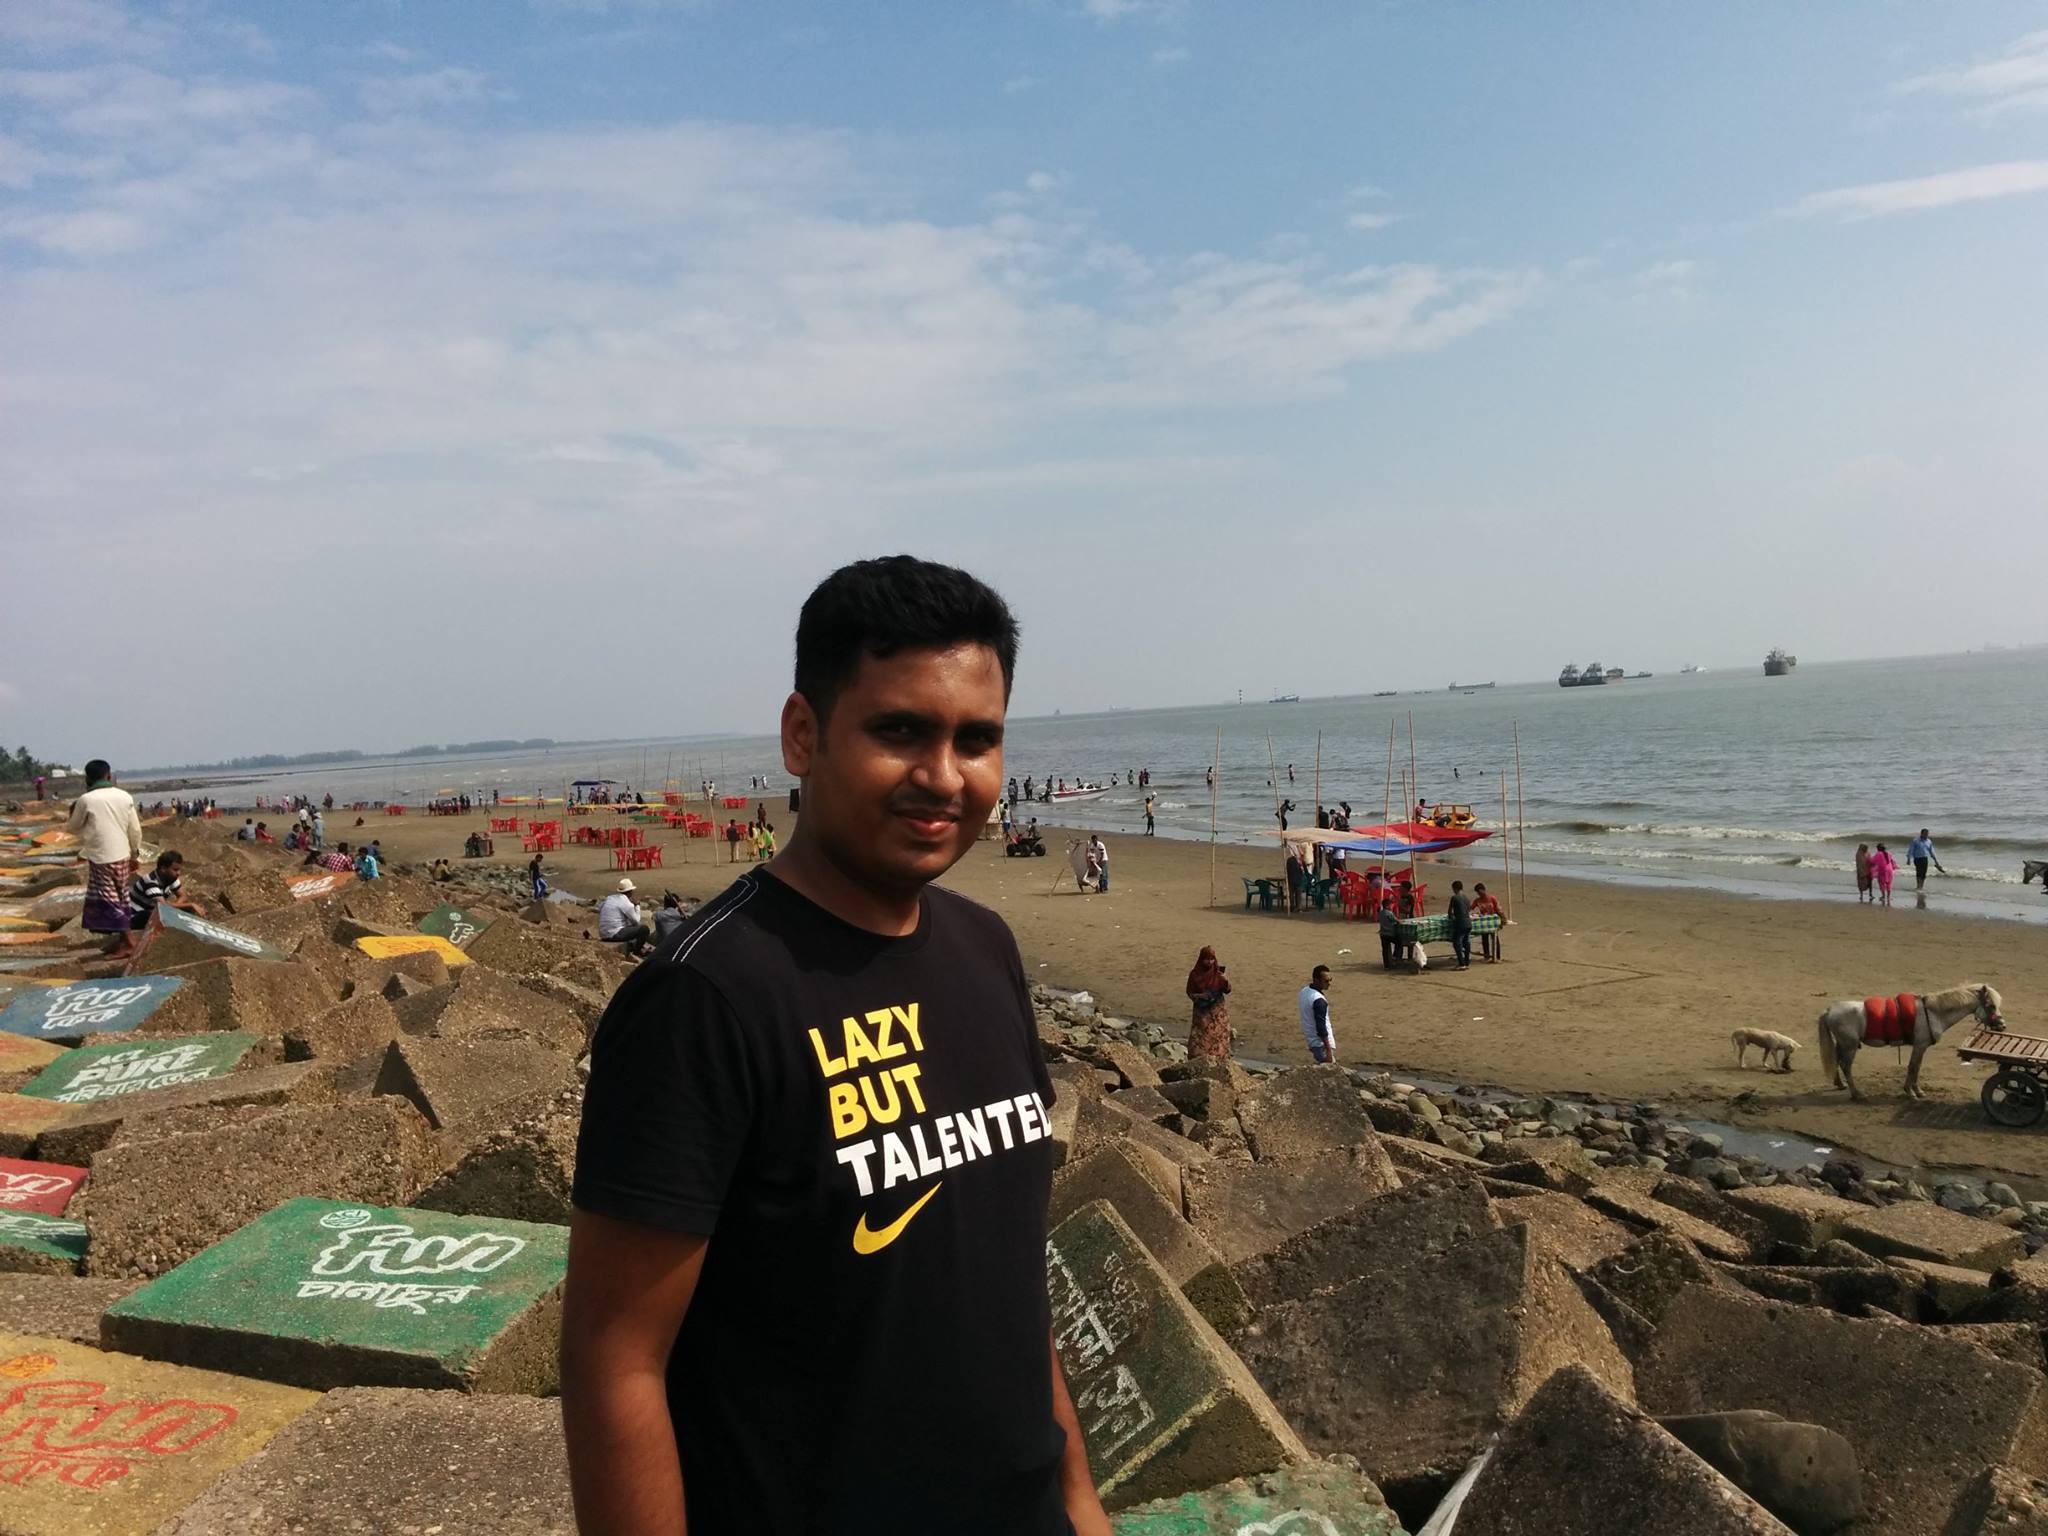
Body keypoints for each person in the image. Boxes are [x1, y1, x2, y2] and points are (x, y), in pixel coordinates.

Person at [564, 555, 1110, 1536]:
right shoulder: (704, 998)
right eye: (899, 731)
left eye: (976, 740)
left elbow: (1005, 1272)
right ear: (803, 735)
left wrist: (1077, 1498)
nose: (942, 777)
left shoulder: (985, 949)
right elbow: (616, 1362)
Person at [68, 759, 145, 959]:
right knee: (122, 897)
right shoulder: (124, 796)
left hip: (101, 857)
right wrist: (135, 853)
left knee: (111, 901)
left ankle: (129, 942)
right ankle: (122, 940)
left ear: (87, 778)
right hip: (122, 854)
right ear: (109, 776)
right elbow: (135, 830)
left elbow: (73, 827)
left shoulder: (86, 800)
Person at [129, 851, 205, 930]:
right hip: (134, 916)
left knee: (186, 909)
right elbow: (163, 906)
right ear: (163, 869)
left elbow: (183, 896)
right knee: (152, 914)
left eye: (179, 870)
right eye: (175, 870)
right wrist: (190, 905)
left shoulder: (170, 878)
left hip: (152, 911)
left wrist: (178, 907)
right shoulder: (150, 881)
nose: (178, 873)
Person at [1185, 946, 1233, 1060]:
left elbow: (1227, 990)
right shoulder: (1195, 975)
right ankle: (1199, 1060)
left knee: (1219, 1036)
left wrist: (1225, 981)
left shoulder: (1218, 974)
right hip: (1202, 1013)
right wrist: (1201, 996)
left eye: (1212, 959)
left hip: (1217, 1011)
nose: (1210, 962)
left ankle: (1220, 1060)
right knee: (1201, 1038)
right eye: (1207, 959)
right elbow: (1190, 992)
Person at [597, 877, 654, 958]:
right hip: (614, 934)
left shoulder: (610, 898)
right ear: (630, 892)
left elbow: (600, 908)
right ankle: (636, 952)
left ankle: (634, 947)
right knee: (644, 929)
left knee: (630, 925)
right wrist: (637, 906)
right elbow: (636, 921)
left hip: (603, 934)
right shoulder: (626, 902)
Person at [1298, 964, 1336, 1064]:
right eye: (1326, 981)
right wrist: (1328, 1050)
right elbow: (1321, 1027)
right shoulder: (1319, 1001)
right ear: (1316, 980)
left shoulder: (1304, 991)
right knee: (1329, 1068)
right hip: (1321, 1044)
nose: (1329, 983)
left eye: (1330, 980)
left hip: (1312, 1041)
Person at [1446, 879, 1473, 970]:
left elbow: (1450, 912)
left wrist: (1452, 918)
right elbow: (1468, 909)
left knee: (1457, 943)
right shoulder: (1466, 898)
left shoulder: (1455, 897)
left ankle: (1462, 963)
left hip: (1460, 923)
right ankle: (1467, 962)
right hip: (1468, 923)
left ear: (1455, 888)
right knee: (1466, 942)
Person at [1472, 881, 1502, 960]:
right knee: (1484, 939)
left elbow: (1498, 909)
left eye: (1479, 892)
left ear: (1483, 890)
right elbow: (1471, 908)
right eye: (1478, 893)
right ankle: (1487, 956)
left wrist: (1502, 919)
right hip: (1484, 922)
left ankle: (1497, 956)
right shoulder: (1477, 900)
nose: (1479, 894)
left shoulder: (1492, 898)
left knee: (1495, 939)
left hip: (1492, 922)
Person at [1870, 842, 1897, 907]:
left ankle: (1883, 896)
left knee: (1882, 883)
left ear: (1878, 848)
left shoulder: (1878, 854)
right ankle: (1888, 897)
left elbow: (1872, 861)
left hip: (1883, 870)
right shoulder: (1889, 854)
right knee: (1889, 883)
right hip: (1890, 870)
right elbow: (1892, 861)